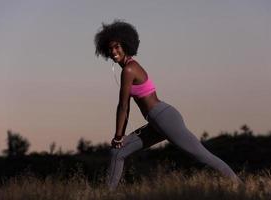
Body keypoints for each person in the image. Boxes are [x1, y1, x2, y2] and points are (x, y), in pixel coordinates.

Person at [94, 20, 242, 190]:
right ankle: (106, 194)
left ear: (125, 44)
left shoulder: (129, 70)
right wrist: (120, 139)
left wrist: (119, 135)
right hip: (157, 120)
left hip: (164, 118)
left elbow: (123, 106)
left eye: (117, 46)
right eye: (110, 48)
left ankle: (240, 186)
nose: (113, 51)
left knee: (202, 155)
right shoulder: (128, 67)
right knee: (117, 152)